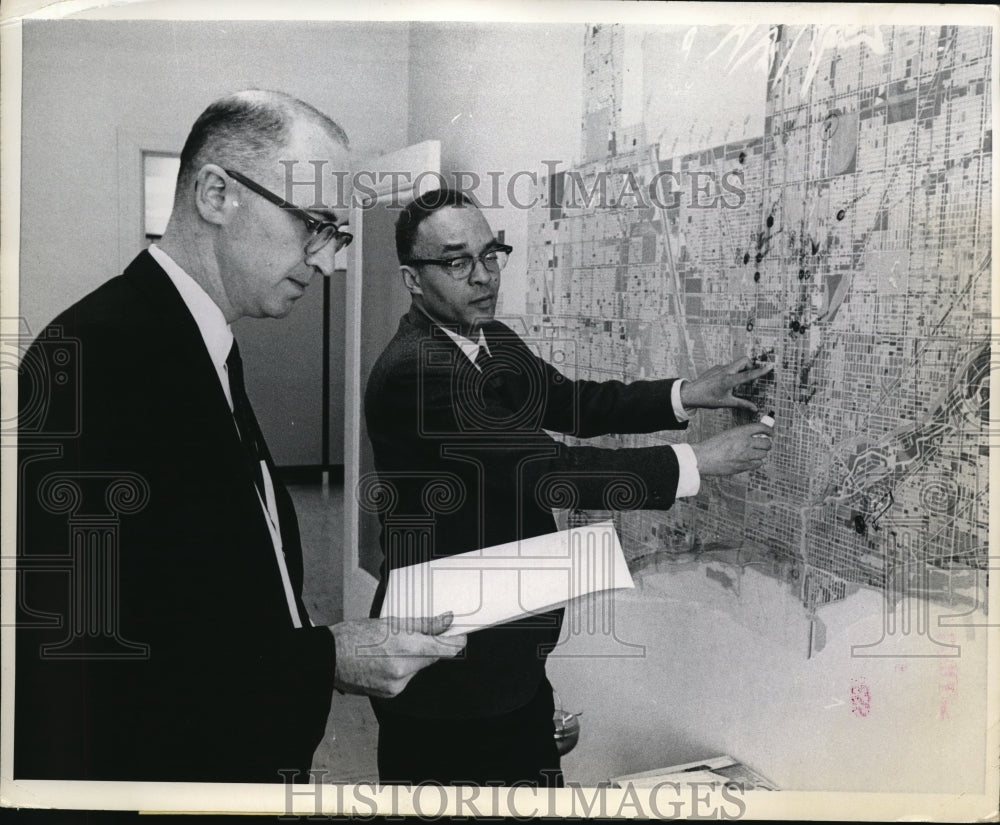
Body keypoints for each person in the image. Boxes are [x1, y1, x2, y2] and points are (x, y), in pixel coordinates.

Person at [14, 91, 465, 784]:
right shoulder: (95, 354)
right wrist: (327, 658)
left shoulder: (200, 342)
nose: (329, 261)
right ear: (216, 193)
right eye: (313, 224)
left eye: (334, 234)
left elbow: (204, 583)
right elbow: (88, 655)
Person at [363, 188, 774, 786]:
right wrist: (697, 462)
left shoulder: (489, 338)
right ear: (412, 278)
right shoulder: (418, 369)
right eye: (457, 262)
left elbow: (571, 402)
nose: (482, 277)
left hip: (506, 648)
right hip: (447, 666)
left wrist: (685, 393)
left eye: (490, 255)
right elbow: (547, 471)